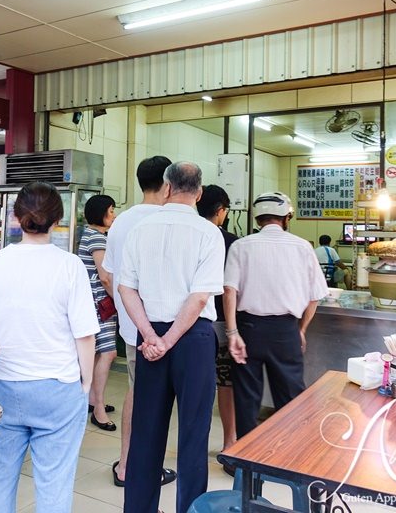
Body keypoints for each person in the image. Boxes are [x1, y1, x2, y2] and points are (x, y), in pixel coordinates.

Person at [0, 182, 99, 513]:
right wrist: (86, 384)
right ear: (58, 219)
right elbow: (85, 336)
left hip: (4, 387)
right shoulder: (69, 266)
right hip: (58, 389)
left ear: (16, 216)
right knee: (54, 483)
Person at [119, 162, 224, 513]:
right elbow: (199, 298)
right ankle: (190, 509)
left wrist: (152, 336)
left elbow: (125, 288)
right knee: (194, 434)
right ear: (200, 192)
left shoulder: (139, 229)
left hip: (148, 336)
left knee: (145, 432)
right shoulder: (209, 233)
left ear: (166, 188)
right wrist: (171, 339)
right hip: (192, 338)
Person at [223, 192, 329, 438]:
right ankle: (288, 457)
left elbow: (230, 291)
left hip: (248, 329)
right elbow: (315, 297)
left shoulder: (241, 245)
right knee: (290, 398)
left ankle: (246, 465)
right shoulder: (303, 247)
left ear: (258, 218)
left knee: (247, 399)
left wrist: (232, 333)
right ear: (287, 217)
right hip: (286, 331)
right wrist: (300, 330)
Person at [101, 156, 177, 489]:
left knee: (138, 392)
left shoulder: (121, 222)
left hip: (133, 328)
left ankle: (128, 465)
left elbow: (112, 275)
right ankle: (138, 468)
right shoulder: (172, 221)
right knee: (157, 402)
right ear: (168, 183)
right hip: (169, 330)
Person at [196, 184, 238, 458]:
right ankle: (229, 443)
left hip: (192, 322)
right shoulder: (232, 241)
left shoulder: (188, 235)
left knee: (196, 385)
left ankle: (195, 444)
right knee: (225, 383)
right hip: (222, 321)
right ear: (221, 211)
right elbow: (233, 286)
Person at [78, 194, 118, 431]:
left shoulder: (91, 235)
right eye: (111, 211)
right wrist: (121, 301)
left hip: (92, 305)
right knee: (109, 352)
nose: (113, 215)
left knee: (95, 354)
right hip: (99, 306)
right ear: (101, 213)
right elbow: (104, 277)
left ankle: (92, 400)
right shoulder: (96, 238)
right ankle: (99, 408)